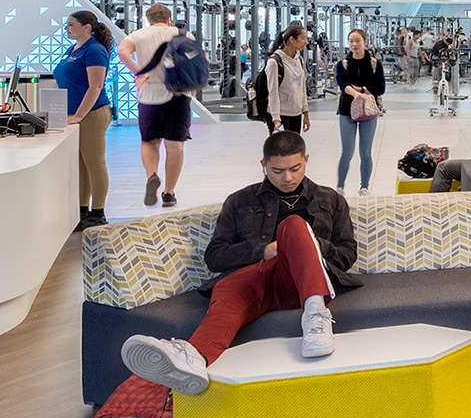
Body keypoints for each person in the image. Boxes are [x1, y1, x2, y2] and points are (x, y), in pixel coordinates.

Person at [120, 130, 356, 394]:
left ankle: (315, 317)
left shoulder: (330, 200)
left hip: (298, 282)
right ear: (263, 165)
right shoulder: (240, 200)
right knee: (228, 298)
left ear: (306, 160)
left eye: (294, 168)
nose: (287, 178)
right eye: (277, 170)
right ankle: (193, 356)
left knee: (294, 226)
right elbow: (215, 256)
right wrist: (263, 250)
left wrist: (305, 245)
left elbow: (347, 255)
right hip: (252, 280)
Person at [117, 4, 189, 209]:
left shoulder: (138, 35)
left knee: (150, 141)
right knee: (175, 145)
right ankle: (169, 193)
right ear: (169, 19)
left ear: (148, 19)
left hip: (149, 95)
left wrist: (139, 71)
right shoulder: (182, 33)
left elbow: (122, 52)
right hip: (179, 94)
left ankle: (152, 175)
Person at [56, 10, 114, 228]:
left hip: (92, 114)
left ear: (86, 27)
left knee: (95, 162)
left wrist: (80, 114)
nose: (67, 29)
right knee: (82, 164)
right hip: (76, 115)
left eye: (71, 25)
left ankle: (98, 212)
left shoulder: (95, 51)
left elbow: (96, 86)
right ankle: (82, 209)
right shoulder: (74, 49)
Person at [334, 27, 384, 194]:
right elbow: (343, 84)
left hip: (369, 112)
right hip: (347, 112)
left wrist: (362, 90)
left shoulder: (375, 64)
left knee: (366, 152)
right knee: (346, 152)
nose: (354, 44)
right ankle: (340, 187)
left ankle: (364, 187)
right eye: (351, 41)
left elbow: (380, 87)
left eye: (358, 41)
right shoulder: (342, 65)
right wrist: (354, 93)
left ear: (365, 42)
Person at [264, 23, 311, 134]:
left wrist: (305, 112)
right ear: (292, 40)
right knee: (280, 150)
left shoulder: (299, 59)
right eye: (303, 38)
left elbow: (302, 88)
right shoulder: (274, 62)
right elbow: (273, 92)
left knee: (294, 150)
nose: (306, 42)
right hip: (280, 116)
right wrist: (276, 119)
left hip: (296, 114)